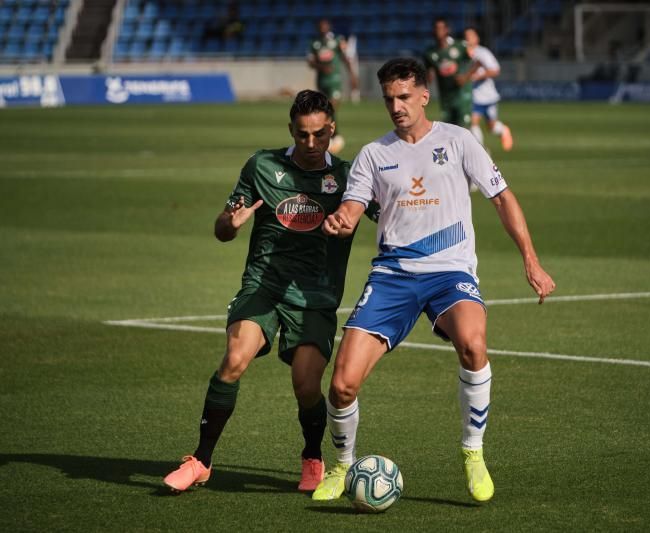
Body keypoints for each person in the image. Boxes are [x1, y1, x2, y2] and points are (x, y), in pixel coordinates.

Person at [311, 58, 555, 503]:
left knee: (473, 344)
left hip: (450, 271)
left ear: (424, 95)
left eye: (404, 97)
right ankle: (343, 465)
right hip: (393, 275)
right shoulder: (373, 154)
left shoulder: (458, 140)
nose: (396, 107)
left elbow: (502, 198)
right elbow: (351, 207)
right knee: (342, 384)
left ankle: (473, 453)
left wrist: (531, 261)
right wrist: (342, 222)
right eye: (389, 99)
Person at [163, 90, 377, 493]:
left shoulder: (351, 177)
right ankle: (201, 461)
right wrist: (231, 221)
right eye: (302, 135)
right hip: (264, 284)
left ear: (332, 128)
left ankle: (312, 455)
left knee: (306, 385)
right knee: (234, 358)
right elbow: (222, 230)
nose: (311, 144)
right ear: (291, 131)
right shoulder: (262, 165)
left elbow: (392, 217)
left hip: (315, 295)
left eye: (319, 135)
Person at [308, 18, 359, 154]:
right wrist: (321, 67)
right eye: (320, 26)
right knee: (326, 110)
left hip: (335, 81)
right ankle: (335, 136)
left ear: (329, 26)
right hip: (322, 82)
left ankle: (334, 136)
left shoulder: (337, 40)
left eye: (325, 26)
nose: (323, 28)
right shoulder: (315, 43)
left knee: (330, 107)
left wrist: (352, 76)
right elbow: (311, 63)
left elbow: (346, 59)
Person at [464, 27, 513, 151]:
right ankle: (481, 150)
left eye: (471, 36)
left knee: (491, 126)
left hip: (488, 95)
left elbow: (495, 70)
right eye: (466, 36)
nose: (468, 38)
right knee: (473, 122)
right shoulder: (462, 53)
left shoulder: (483, 53)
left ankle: (503, 130)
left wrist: (479, 76)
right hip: (473, 96)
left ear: (477, 38)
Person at [423, 17, 474, 129]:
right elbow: (429, 75)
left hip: (462, 95)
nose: (438, 31)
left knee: (464, 130)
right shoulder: (430, 53)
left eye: (441, 28)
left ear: (447, 30)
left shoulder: (460, 46)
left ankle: (479, 147)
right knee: (449, 131)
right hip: (446, 98)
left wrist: (465, 77)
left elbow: (476, 62)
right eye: (436, 28)